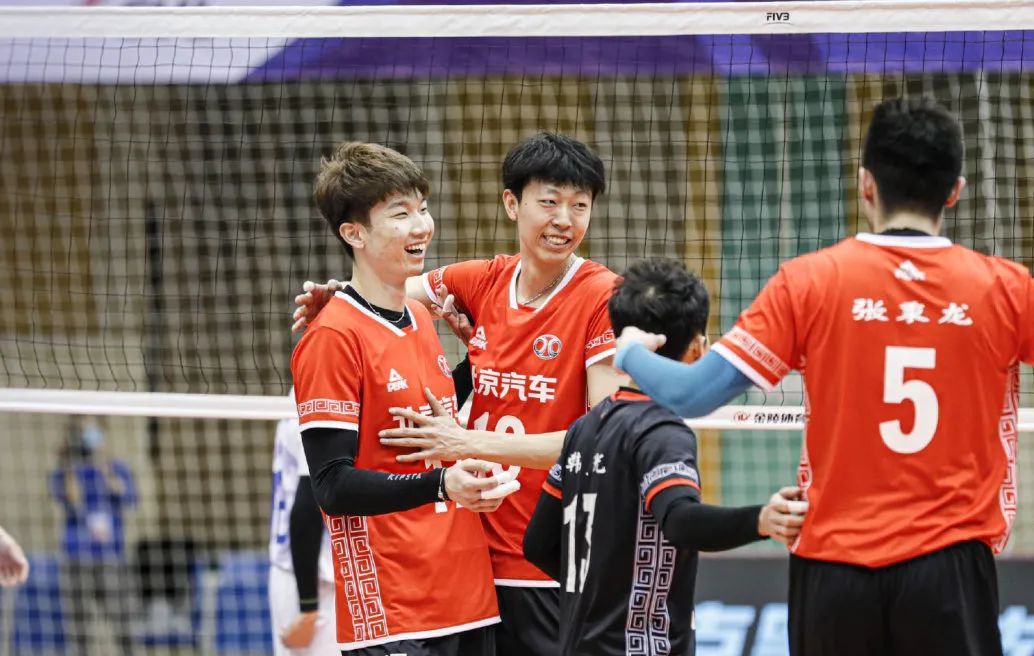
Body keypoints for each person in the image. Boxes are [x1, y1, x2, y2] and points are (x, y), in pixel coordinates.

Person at [615, 97, 1034, 656]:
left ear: (866, 184)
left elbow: (689, 394)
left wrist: (629, 350)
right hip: (949, 570)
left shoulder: (809, 282)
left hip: (835, 570)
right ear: (954, 190)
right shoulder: (1007, 289)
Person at [294, 133, 622, 655]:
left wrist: (464, 444)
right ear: (512, 204)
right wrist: (335, 297)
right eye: (549, 202)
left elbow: (604, 443)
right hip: (467, 564)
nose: (564, 219)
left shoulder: (603, 295)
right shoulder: (481, 281)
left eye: (579, 206)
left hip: (548, 559)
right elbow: (380, 295)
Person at [523, 258, 806, 655]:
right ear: (698, 348)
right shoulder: (661, 430)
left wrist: (601, 594)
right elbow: (681, 521)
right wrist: (761, 520)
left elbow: (537, 545)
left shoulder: (584, 428)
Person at [292, 141, 508, 655]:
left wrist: (477, 360)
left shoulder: (418, 317)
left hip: (468, 597)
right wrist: (442, 485)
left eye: (423, 208)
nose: (422, 226)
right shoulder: (332, 336)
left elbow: (431, 411)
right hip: (393, 611)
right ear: (354, 233)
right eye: (401, 213)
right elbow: (332, 485)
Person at [48, 416, 138, 656]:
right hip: (77, 558)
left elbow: (128, 498)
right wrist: (68, 465)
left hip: (111, 558)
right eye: (83, 432)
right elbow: (71, 500)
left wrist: (105, 467)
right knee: (79, 631)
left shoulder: (118, 467)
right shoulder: (65, 470)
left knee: (124, 625)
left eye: (93, 431)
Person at [268, 391, 338, 656]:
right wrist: (308, 607)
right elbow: (308, 504)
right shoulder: (320, 396)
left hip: (297, 572)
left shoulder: (299, 392)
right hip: (313, 582)